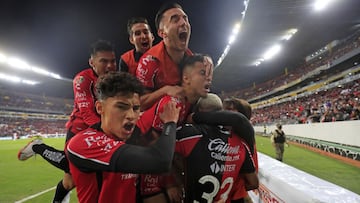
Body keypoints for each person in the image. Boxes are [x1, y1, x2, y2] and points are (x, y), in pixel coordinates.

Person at [17, 39, 117, 202]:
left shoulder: (115, 80)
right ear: (92, 62)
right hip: (79, 129)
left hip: (100, 129)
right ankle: (38, 147)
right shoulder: (82, 80)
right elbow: (86, 112)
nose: (109, 66)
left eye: (112, 61)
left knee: (70, 182)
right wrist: (108, 132)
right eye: (103, 61)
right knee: (74, 166)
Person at [66, 72, 180, 203]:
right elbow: (161, 161)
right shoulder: (83, 143)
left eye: (136, 108)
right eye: (121, 107)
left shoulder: (132, 134)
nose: (131, 115)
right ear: (100, 108)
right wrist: (170, 123)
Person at [136, 53, 213, 203]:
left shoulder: (190, 103)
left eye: (210, 73)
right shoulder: (173, 102)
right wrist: (171, 182)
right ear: (186, 78)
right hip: (143, 159)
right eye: (203, 73)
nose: (209, 77)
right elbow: (153, 143)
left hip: (156, 160)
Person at [175, 93, 258, 203]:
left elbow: (163, 156)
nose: (227, 113)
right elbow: (253, 182)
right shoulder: (241, 144)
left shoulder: (189, 134)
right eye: (226, 109)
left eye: (230, 110)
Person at [136, 2, 194, 111]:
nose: (183, 23)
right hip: (159, 117)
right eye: (175, 20)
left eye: (185, 19)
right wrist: (165, 90)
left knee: (211, 102)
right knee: (170, 101)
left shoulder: (191, 58)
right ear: (162, 33)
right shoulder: (149, 61)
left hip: (184, 111)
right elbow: (139, 103)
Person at [223, 98, 258, 203]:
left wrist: (235, 191)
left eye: (229, 109)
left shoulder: (245, 142)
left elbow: (253, 181)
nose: (223, 113)